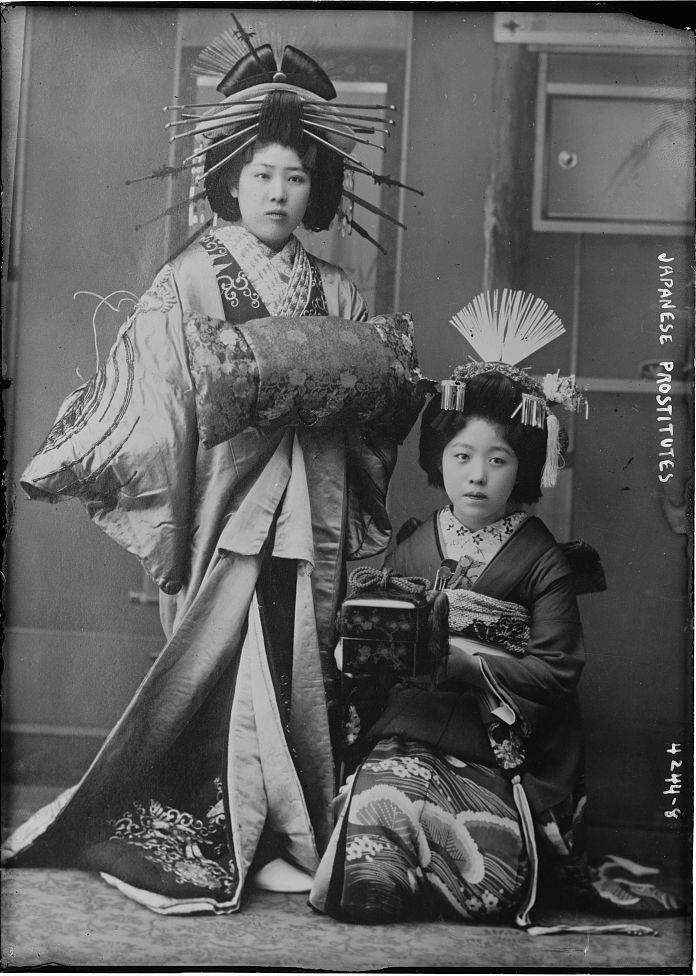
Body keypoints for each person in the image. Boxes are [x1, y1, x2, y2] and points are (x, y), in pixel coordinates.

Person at [2, 27, 423, 915]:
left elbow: (367, 411)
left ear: (318, 189)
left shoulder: (338, 290)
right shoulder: (190, 279)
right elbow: (163, 408)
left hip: (314, 502)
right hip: (228, 509)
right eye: (262, 173)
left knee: (302, 664)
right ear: (230, 177)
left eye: (297, 176)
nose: (277, 192)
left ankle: (287, 834)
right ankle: (228, 830)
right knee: (229, 668)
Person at [310, 293, 682, 933]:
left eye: (498, 459)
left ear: (524, 468)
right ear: (439, 460)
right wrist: (364, 651)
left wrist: (460, 659)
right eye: (462, 456)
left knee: (479, 862)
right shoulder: (412, 545)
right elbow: (375, 649)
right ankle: (384, 884)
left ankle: (431, 881)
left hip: (500, 750)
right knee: (380, 799)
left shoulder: (542, 559)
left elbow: (557, 672)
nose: (477, 475)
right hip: (410, 730)